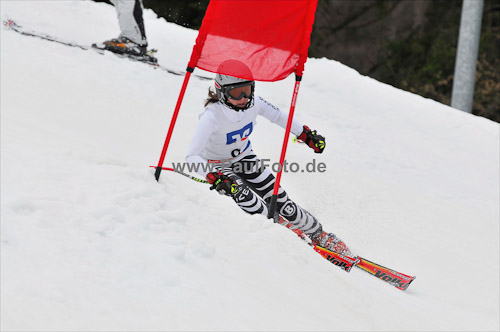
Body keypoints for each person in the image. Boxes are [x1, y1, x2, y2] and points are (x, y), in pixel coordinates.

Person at [186, 60, 351, 255]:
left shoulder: (254, 104)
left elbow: (279, 116)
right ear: (222, 92)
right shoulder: (211, 117)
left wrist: (304, 134)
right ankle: (282, 229)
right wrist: (213, 176)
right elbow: (192, 157)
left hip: (245, 158)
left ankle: (317, 233)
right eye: (236, 93)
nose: (244, 98)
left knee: (280, 198)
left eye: (247, 90)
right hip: (218, 165)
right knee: (244, 195)